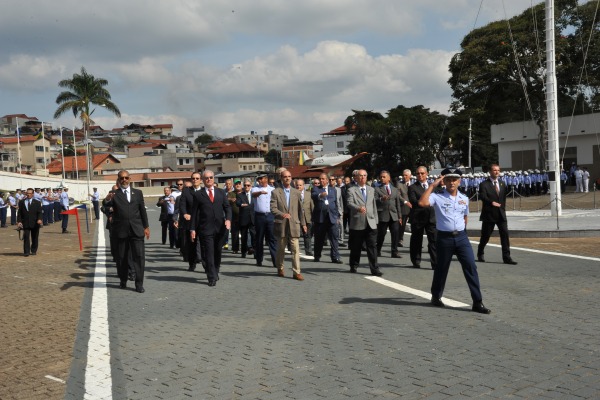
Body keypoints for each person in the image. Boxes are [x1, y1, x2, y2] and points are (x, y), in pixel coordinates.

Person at [417, 168, 491, 314]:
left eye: (455, 179)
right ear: (444, 181)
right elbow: (422, 203)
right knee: (441, 269)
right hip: (445, 238)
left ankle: (477, 302)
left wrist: (462, 230)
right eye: (449, 179)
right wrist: (432, 185)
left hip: (462, 237)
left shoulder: (464, 197)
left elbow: (465, 216)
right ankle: (436, 296)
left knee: (471, 267)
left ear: (459, 181)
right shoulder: (437, 196)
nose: (452, 182)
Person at [103, 170, 150, 293]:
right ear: (118, 180)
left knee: (139, 257)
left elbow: (142, 211)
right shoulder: (114, 194)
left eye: (126, 178)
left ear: (130, 179)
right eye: (121, 178)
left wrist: (146, 227)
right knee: (122, 257)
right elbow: (105, 206)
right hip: (121, 230)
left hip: (136, 229)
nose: (124, 180)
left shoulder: (138, 193)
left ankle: (139, 284)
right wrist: (107, 200)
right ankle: (123, 280)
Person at [190, 169, 232, 287]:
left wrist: (228, 219)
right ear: (203, 180)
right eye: (206, 178)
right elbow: (194, 213)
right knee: (208, 253)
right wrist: (192, 229)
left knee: (217, 252)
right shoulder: (198, 194)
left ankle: (215, 270)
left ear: (214, 179)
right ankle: (211, 277)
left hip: (220, 229)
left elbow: (227, 207)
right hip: (205, 229)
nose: (209, 179)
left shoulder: (220, 192)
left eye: (211, 177)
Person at [477, 164, 518, 265]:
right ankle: (480, 252)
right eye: (494, 170)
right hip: (489, 214)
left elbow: (502, 199)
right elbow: (482, 196)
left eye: (498, 170)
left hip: (501, 214)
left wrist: (502, 209)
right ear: (490, 172)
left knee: (505, 235)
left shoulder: (502, 183)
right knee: (486, 236)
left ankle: (507, 257)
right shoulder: (484, 184)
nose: (496, 172)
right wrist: (491, 202)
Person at [270, 170, 307, 280]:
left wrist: (304, 224)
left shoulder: (296, 192)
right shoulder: (276, 192)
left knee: (295, 249)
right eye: (285, 176)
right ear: (281, 178)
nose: (287, 178)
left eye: (289, 176)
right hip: (281, 224)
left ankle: (296, 272)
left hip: (294, 224)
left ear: (291, 178)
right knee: (281, 249)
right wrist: (282, 214)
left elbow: (301, 210)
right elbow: (273, 208)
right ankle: (280, 267)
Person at [346, 169, 382, 276]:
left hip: (370, 222)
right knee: (356, 246)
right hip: (358, 222)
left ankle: (374, 268)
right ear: (356, 178)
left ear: (367, 177)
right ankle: (354, 265)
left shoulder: (371, 189)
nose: (362, 177)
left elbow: (373, 206)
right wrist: (358, 208)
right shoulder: (351, 190)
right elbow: (349, 203)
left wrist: (375, 221)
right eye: (360, 176)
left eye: (364, 175)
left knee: (372, 246)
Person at [408, 166, 437, 269]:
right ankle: (416, 260)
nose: (420, 175)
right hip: (418, 218)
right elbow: (414, 202)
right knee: (416, 240)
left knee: (433, 241)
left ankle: (435, 263)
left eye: (422, 173)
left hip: (431, 217)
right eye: (418, 173)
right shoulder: (412, 187)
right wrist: (427, 203)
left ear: (427, 174)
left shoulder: (433, 186)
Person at [311, 173, 342, 264]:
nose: (321, 180)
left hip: (332, 217)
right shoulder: (316, 189)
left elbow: (335, 203)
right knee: (319, 239)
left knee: (334, 238)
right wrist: (321, 195)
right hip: (320, 218)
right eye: (320, 179)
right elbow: (314, 196)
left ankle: (335, 257)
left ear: (327, 180)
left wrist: (337, 216)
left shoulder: (333, 190)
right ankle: (317, 255)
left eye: (323, 179)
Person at [375, 170, 403, 258]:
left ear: (389, 178)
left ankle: (394, 251)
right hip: (383, 215)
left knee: (395, 234)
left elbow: (397, 203)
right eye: (381, 177)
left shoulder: (395, 189)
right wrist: (380, 199)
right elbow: (374, 200)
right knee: (381, 234)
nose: (382, 178)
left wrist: (399, 216)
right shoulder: (377, 189)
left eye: (384, 177)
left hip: (393, 215)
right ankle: (378, 249)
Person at [251, 173, 277, 267]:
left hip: (270, 215)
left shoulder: (272, 189)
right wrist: (260, 192)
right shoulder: (255, 188)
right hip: (259, 216)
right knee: (259, 238)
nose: (260, 181)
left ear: (266, 179)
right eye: (259, 179)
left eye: (261, 179)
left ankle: (275, 261)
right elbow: (253, 195)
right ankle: (259, 259)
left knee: (272, 239)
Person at [179, 173, 203, 271]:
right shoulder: (186, 191)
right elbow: (182, 204)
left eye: (197, 178)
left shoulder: (204, 191)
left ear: (201, 180)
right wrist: (185, 213)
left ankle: (206, 264)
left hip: (202, 221)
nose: (195, 180)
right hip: (190, 221)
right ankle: (192, 264)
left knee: (204, 243)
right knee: (191, 244)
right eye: (193, 178)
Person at [17, 188, 43, 256]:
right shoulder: (22, 202)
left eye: (30, 193)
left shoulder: (37, 202)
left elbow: (40, 212)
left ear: (33, 194)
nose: (28, 195)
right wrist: (19, 221)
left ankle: (33, 250)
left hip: (35, 223)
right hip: (25, 222)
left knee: (34, 237)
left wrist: (39, 219)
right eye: (27, 193)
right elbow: (19, 213)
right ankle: (26, 251)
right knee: (26, 237)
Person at [236, 178, 256, 258]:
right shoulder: (240, 195)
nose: (246, 187)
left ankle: (255, 252)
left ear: (251, 186)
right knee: (244, 237)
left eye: (248, 185)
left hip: (253, 218)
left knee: (254, 236)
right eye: (245, 185)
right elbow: (238, 202)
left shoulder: (254, 194)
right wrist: (241, 205)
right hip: (244, 218)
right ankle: (243, 251)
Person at [295, 179, 314, 256]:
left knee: (308, 235)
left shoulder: (308, 194)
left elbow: (311, 205)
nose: (298, 186)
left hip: (307, 217)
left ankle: (308, 250)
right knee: (295, 235)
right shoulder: (293, 194)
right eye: (297, 185)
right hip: (297, 217)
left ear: (303, 186)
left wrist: (313, 216)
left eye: (300, 185)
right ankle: (294, 250)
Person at [396, 169, 413, 248]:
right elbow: (398, 195)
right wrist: (405, 202)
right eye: (403, 175)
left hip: (414, 208)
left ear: (410, 176)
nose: (404, 177)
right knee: (402, 225)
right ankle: (400, 239)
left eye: (406, 175)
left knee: (416, 225)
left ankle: (415, 241)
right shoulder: (399, 184)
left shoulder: (413, 184)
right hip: (404, 207)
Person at [228, 180, 243, 254]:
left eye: (239, 184)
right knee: (235, 234)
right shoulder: (231, 193)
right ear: (234, 185)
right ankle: (235, 248)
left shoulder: (244, 193)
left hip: (244, 217)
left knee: (245, 233)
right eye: (236, 184)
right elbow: (225, 200)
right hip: (234, 217)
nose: (238, 185)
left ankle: (245, 248)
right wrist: (230, 199)